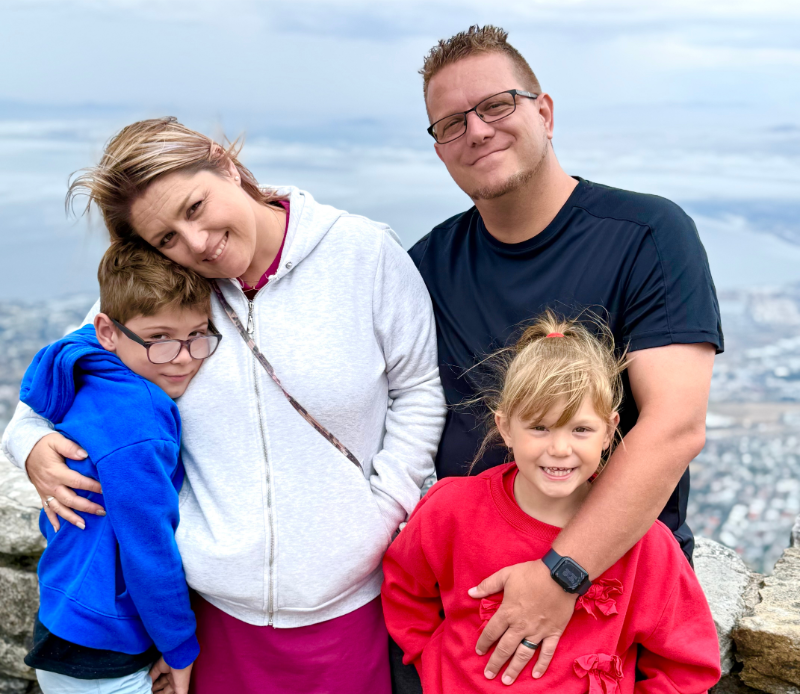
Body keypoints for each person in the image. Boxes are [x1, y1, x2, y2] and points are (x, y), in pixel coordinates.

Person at [2, 117, 446, 694]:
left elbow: (418, 390)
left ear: (224, 163)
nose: (195, 244)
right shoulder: (171, 286)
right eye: (165, 238)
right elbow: (67, 370)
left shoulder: (362, 253)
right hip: (210, 619)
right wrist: (31, 441)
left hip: (348, 609)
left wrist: (384, 507)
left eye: (194, 207)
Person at [397, 24, 723, 689]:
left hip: (613, 592)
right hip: (466, 609)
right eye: (451, 123)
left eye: (496, 105)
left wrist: (561, 575)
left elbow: (675, 427)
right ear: (439, 150)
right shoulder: (425, 266)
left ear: (543, 111)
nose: (478, 131)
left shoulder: (648, 235)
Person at [382, 313, 721, 692]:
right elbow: (405, 589)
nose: (560, 449)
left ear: (609, 431)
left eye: (580, 429)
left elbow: (687, 664)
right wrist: (434, 665)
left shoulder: (646, 545)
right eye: (540, 427)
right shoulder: (451, 510)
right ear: (506, 427)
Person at [22, 240, 215, 694]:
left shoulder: (89, 370)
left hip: (64, 608)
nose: (184, 356)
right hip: (106, 641)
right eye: (160, 339)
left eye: (198, 335)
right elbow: (149, 550)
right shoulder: (140, 425)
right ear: (108, 331)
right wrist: (180, 648)